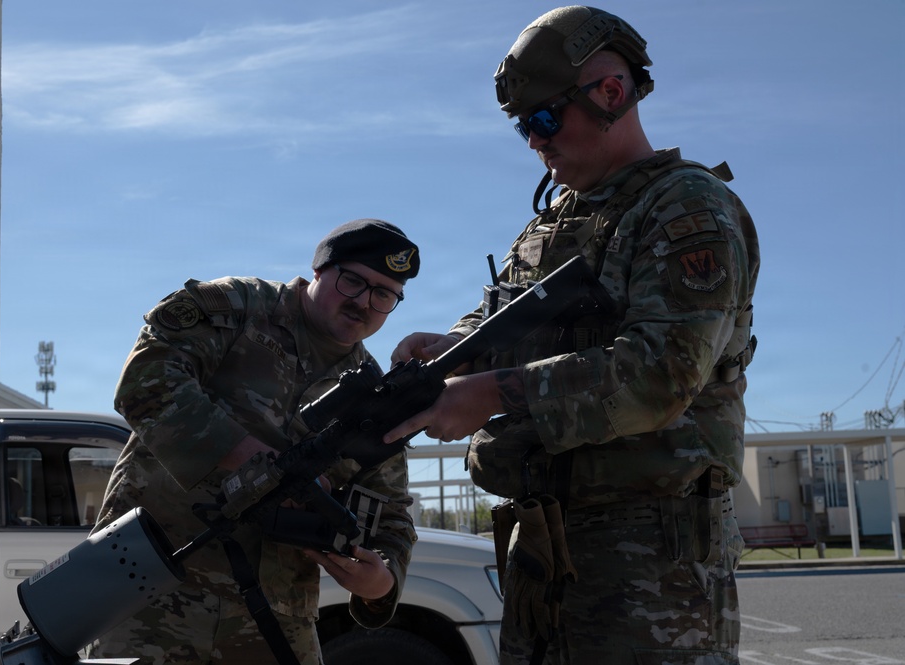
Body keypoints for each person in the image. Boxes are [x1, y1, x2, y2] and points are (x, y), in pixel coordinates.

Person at [385, 6, 759, 665]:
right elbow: (508, 320)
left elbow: (659, 375)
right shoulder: (549, 226)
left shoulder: (685, 207)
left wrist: (491, 391)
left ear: (610, 93)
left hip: (647, 557)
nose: (534, 141)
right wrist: (455, 348)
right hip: (544, 547)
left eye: (544, 119)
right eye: (523, 127)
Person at [87, 219, 421, 664]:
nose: (363, 302)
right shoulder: (237, 308)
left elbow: (391, 516)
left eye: (384, 295)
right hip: (150, 595)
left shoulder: (375, 400)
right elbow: (145, 381)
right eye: (353, 281)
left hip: (272, 622)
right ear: (320, 270)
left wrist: (380, 581)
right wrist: (259, 465)